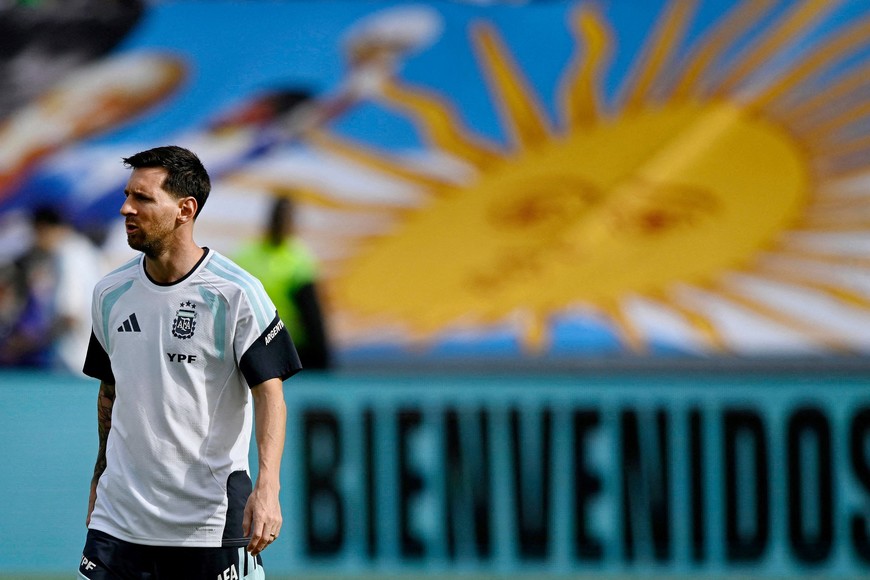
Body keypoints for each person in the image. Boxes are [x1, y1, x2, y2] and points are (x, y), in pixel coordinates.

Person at [79, 146, 302, 579]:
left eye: (143, 198)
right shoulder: (109, 294)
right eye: (127, 195)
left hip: (209, 526)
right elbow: (110, 393)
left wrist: (268, 487)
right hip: (118, 522)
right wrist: (99, 477)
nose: (126, 207)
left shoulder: (236, 292)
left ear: (185, 209)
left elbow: (270, 393)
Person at [235, 196, 332, 370]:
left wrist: (322, 358)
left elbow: (313, 316)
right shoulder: (246, 256)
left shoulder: (299, 259)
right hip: (253, 347)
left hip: (290, 349)